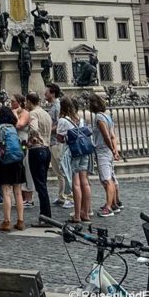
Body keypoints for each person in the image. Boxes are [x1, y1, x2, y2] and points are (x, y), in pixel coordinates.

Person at [57, 95, 93, 224]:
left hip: (73, 153)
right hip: (84, 152)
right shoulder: (80, 119)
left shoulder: (63, 121)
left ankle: (77, 214)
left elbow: (60, 138)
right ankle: (86, 212)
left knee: (76, 183)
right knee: (85, 182)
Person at [0, 104, 26, 232]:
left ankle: (6, 221)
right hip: (17, 161)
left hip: (4, 162)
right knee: (18, 192)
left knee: (6, 192)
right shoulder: (13, 128)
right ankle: (20, 221)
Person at [89, 93, 121, 217]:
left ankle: (108, 207)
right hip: (107, 150)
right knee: (111, 178)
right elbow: (113, 136)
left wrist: (112, 149)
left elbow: (106, 135)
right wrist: (115, 150)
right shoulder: (107, 117)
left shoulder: (98, 117)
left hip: (102, 150)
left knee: (106, 179)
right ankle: (113, 203)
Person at [25, 92, 52, 223]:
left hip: (37, 150)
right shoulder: (45, 113)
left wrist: (32, 140)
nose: (25, 104)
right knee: (43, 183)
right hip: (47, 149)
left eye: (26, 102)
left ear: (30, 102)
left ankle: (45, 215)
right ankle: (46, 214)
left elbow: (34, 129)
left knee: (40, 185)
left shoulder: (33, 113)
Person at [44, 83, 69, 208]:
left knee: (61, 170)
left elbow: (59, 124)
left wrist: (47, 130)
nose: (45, 93)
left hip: (56, 142)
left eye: (47, 91)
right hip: (52, 142)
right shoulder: (53, 105)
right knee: (58, 171)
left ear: (52, 93)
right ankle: (61, 196)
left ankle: (66, 196)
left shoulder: (57, 106)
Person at [11, 94, 34, 207]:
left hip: (23, 143)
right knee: (19, 170)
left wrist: (15, 114)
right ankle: (22, 196)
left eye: (13, 101)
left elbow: (19, 125)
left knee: (26, 169)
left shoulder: (25, 113)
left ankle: (29, 198)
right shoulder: (17, 113)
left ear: (19, 103)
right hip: (16, 143)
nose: (11, 104)